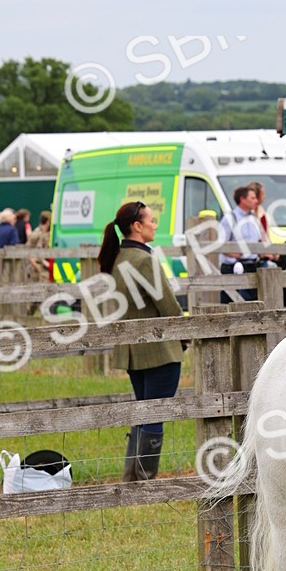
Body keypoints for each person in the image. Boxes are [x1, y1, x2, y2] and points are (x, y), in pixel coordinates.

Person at [98, 200, 184, 481]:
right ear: (137, 226)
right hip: (159, 351)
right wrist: (185, 336)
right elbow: (169, 307)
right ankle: (145, 478)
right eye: (151, 220)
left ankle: (132, 476)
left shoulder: (119, 258)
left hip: (134, 353)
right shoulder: (145, 260)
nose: (154, 225)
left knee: (142, 413)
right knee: (154, 415)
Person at [220, 184, 278, 302]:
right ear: (242, 199)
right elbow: (220, 243)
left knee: (254, 303)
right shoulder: (230, 218)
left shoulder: (254, 218)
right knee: (234, 304)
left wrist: (265, 253)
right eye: (252, 198)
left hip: (252, 265)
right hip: (234, 268)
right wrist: (234, 254)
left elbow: (260, 240)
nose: (256, 201)